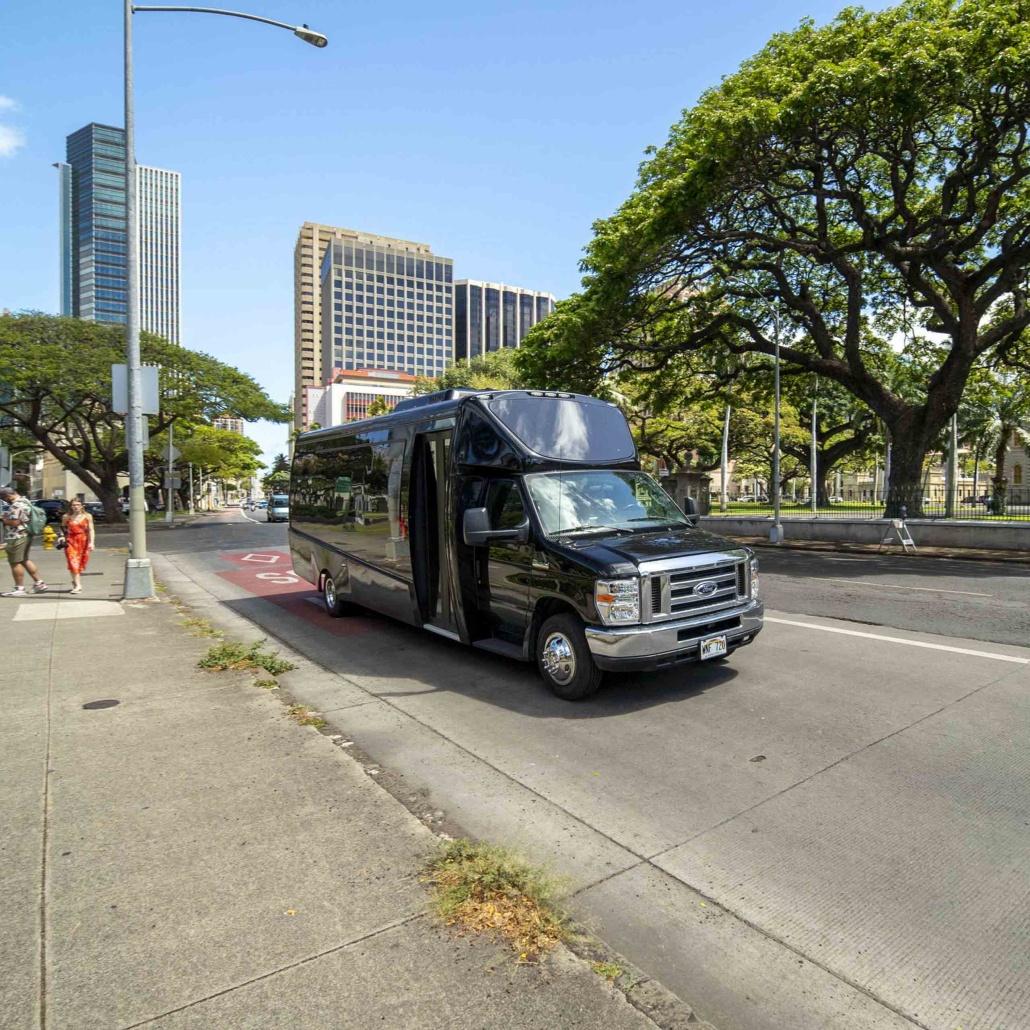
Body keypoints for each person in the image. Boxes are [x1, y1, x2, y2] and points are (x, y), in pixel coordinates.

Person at [1, 485, 47, 597]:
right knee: (24, 559)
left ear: (8, 496)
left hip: (16, 536)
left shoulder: (16, 505)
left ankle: (19, 588)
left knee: (15, 562)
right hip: (26, 534)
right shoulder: (26, 501)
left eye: (3, 498)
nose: (4, 501)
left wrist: (2, 519)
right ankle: (39, 583)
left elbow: (15, 522)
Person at [60, 497, 95, 594]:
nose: (76, 507)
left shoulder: (88, 516)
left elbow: (91, 530)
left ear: (82, 506)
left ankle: (75, 581)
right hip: (71, 541)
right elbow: (62, 527)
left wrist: (92, 542)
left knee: (80, 563)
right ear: (70, 506)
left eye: (78, 505)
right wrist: (61, 536)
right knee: (73, 562)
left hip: (83, 541)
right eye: (73, 505)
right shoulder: (66, 517)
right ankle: (78, 585)